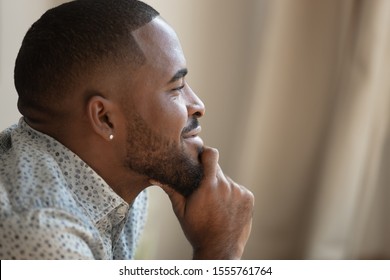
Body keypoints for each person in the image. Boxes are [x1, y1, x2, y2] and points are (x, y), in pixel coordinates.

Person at [0, 0, 254, 259]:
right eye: (176, 87)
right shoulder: (44, 241)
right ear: (105, 118)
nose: (198, 106)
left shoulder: (123, 178)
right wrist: (220, 249)